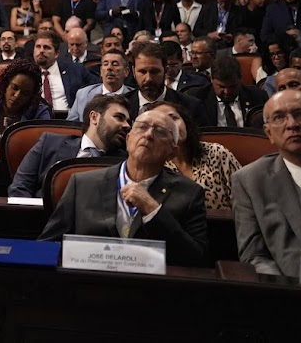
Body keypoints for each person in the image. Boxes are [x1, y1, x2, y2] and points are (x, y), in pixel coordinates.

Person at [40, 106, 209, 267]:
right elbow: (47, 245)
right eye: (142, 127)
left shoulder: (189, 193)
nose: (148, 135)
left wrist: (153, 210)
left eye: (160, 132)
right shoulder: (82, 184)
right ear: (128, 139)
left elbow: (195, 258)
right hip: (88, 285)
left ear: (172, 152)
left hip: (153, 290)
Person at [231, 90, 301, 277]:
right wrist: (287, 292)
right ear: (269, 133)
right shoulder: (251, 181)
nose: (292, 125)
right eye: (279, 118)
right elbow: (254, 255)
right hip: (293, 294)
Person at [9, 94, 130, 198]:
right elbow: (20, 187)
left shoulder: (124, 162)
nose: (127, 126)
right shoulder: (49, 143)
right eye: (119, 117)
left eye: (128, 121)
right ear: (94, 117)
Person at [145, 100, 241, 211]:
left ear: (185, 122)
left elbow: (245, 199)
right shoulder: (153, 165)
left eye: (174, 118)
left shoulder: (216, 152)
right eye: (161, 123)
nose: (172, 126)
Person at [67, 50, 133, 121]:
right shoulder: (83, 94)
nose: (109, 68)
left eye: (115, 64)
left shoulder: (134, 97)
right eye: (105, 64)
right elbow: (71, 126)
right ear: (101, 71)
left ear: (126, 72)